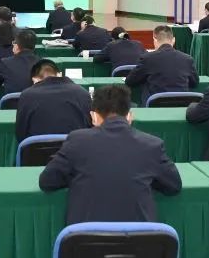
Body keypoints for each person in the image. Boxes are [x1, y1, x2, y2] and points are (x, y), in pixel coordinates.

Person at [39, 84, 182, 225]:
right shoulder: (152, 145)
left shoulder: (77, 140)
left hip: (86, 237)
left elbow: (47, 181)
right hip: (139, 238)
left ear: (94, 116)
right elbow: (173, 186)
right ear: (129, 116)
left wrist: (75, 176)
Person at [15, 59, 92, 142]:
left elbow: (21, 133)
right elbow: (90, 128)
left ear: (34, 79)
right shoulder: (82, 92)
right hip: (75, 148)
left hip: (37, 149)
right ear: (59, 74)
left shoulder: (27, 95)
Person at [125, 25, 199, 101]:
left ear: (154, 40)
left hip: (156, 105)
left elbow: (130, 81)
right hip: (182, 104)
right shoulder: (187, 59)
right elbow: (195, 83)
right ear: (173, 40)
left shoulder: (147, 58)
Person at [0, 29, 41, 95]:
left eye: (14, 42)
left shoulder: (6, 63)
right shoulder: (43, 64)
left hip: (12, 101)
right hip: (35, 101)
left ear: (17, 46)